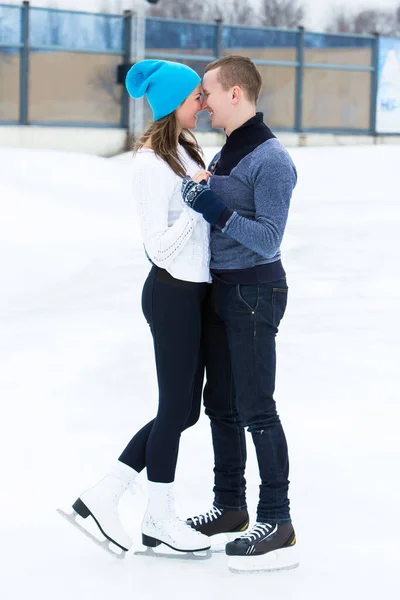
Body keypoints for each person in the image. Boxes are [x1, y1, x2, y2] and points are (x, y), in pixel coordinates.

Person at [64, 60, 222, 556]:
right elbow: (158, 247)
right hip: (170, 292)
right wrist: (197, 205)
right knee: (176, 409)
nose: (204, 103)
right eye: (196, 96)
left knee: (184, 411)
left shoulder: (183, 149)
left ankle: (106, 493)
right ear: (175, 101)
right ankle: (158, 516)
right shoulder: (151, 163)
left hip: (193, 292)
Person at [180, 55, 299, 571]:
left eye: (207, 93)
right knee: (220, 406)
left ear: (236, 94)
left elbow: (269, 240)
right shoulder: (229, 149)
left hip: (255, 293)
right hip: (222, 291)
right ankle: (231, 506)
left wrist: (214, 209)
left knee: (257, 408)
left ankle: (278, 518)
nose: (201, 104)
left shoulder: (271, 159)